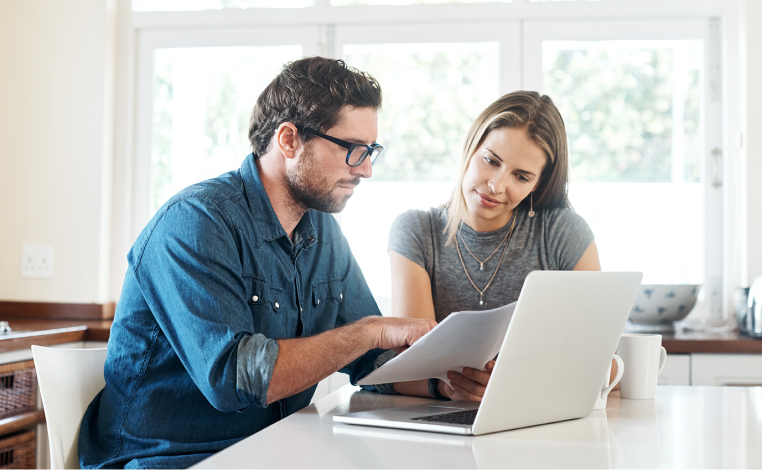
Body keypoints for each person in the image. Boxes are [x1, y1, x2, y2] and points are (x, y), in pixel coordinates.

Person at [78, 57, 489, 469]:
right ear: (289, 140)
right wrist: (369, 331)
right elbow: (235, 379)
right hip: (169, 459)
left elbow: (369, 359)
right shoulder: (195, 222)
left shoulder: (321, 230)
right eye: (351, 150)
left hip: (270, 451)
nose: (365, 169)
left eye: (371, 152)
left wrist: (443, 385)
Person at [388, 91, 602, 392]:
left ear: (537, 184)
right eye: (491, 161)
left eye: (522, 177)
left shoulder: (563, 234)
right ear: (470, 147)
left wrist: (517, 383)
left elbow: (603, 359)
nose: (496, 185)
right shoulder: (416, 231)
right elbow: (414, 365)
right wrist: (452, 390)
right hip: (442, 421)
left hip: (536, 416)